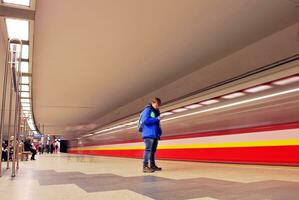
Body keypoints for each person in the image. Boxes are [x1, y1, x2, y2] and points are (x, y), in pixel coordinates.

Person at [139, 97, 163, 173]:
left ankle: (152, 165)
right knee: (148, 150)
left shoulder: (156, 111)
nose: (157, 106)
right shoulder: (148, 109)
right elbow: (145, 121)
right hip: (148, 134)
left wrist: (159, 132)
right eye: (156, 104)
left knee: (153, 151)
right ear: (153, 103)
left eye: (159, 105)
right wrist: (157, 119)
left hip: (155, 134)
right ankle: (145, 166)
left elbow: (157, 123)